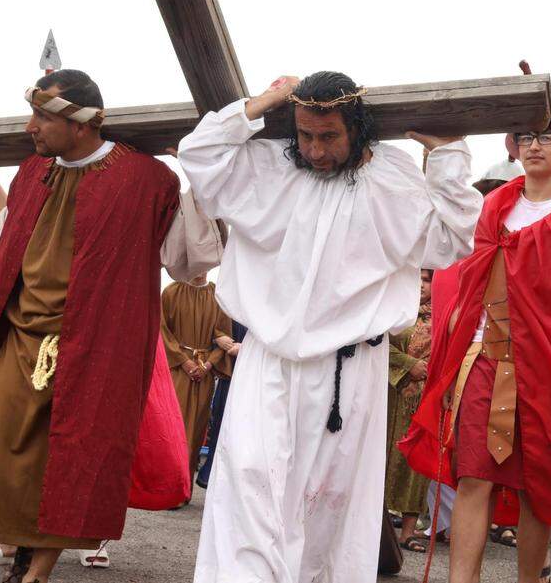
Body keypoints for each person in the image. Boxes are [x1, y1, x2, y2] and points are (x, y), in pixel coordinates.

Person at [0, 68, 217, 583]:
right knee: (9, 453)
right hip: (20, 336)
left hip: (96, 345)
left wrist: (196, 178)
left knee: (69, 458)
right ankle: (20, 549)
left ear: (81, 124)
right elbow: (5, 247)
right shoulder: (33, 173)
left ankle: (37, 571)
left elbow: (190, 260)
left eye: (42, 116)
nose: (31, 126)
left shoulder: (146, 179)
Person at [178, 70, 480, 582]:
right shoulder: (269, 166)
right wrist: (260, 104)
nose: (315, 150)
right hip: (266, 361)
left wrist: (449, 154)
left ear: (356, 129)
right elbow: (199, 154)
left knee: (330, 510)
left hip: (349, 370)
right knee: (248, 487)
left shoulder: (392, 177)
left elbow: (452, 239)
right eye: (305, 135)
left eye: (328, 137)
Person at [400, 108, 551, 583]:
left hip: (545, 367)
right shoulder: (494, 206)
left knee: (536, 489)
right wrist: (442, 151)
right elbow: (458, 257)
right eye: (525, 136)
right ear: (514, 147)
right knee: (472, 477)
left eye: (546, 137)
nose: (535, 144)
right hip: (483, 357)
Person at [160, 272, 232, 480]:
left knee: (196, 430)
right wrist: (184, 361)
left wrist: (208, 365)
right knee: (173, 426)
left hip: (203, 374)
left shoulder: (218, 295)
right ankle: (167, 484)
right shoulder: (171, 292)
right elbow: (163, 331)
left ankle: (183, 486)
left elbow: (223, 335)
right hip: (177, 370)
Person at [385, 269, 434, 553]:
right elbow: (377, 346)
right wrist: (407, 364)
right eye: (416, 277)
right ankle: (378, 532)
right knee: (381, 457)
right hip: (390, 394)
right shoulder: (393, 312)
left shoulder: (443, 315)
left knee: (417, 462)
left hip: (424, 399)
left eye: (427, 279)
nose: (420, 285)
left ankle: (407, 531)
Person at [195, 320, 245, 489]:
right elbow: (207, 328)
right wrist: (218, 339)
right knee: (220, 426)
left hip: (251, 376)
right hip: (228, 376)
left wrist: (245, 348)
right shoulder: (229, 306)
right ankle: (210, 475)